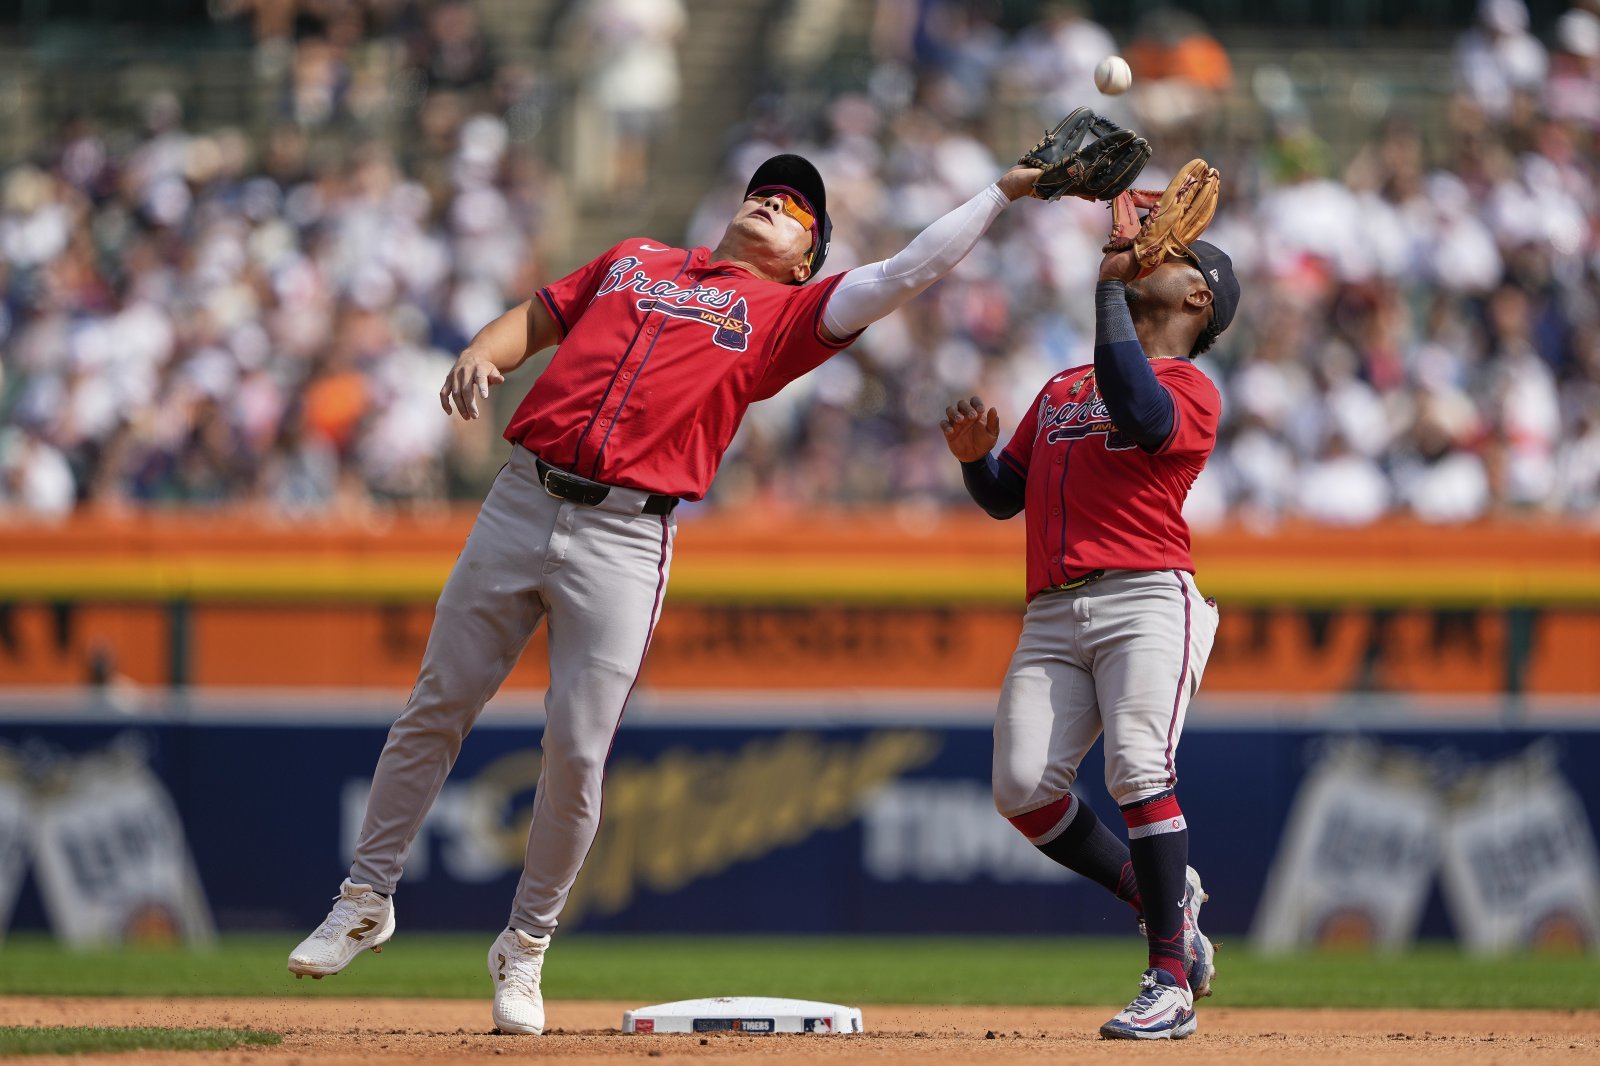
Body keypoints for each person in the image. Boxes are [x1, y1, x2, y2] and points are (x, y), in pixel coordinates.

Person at [287, 151, 1047, 1033]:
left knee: (574, 751)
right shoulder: (635, 260)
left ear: (807, 259)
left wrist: (1003, 190)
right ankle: (365, 898)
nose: (774, 198)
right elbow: (536, 320)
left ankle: (524, 949)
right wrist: (477, 352)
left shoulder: (787, 315)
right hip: (520, 497)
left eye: (797, 206)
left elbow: (904, 270)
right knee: (434, 705)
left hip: (626, 533)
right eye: (766, 189)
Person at [939, 237, 1238, 1040]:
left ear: (1198, 299)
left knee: (1139, 767)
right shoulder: (1065, 385)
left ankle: (1169, 980)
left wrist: (1106, 291)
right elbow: (1009, 495)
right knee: (1021, 786)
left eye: (1174, 262)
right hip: (1051, 609)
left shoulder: (1192, 387)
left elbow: (1142, 414)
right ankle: (1162, 896)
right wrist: (975, 466)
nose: (1150, 265)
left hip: (1146, 595)